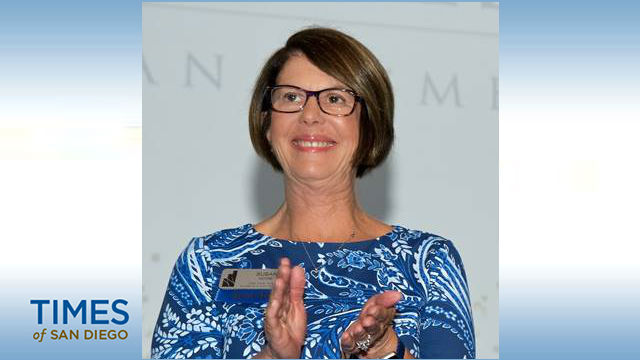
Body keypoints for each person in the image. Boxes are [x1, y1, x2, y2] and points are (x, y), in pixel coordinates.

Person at [151, 27, 475, 359]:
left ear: (369, 126)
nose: (309, 115)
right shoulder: (208, 262)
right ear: (267, 122)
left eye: (335, 99)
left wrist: (385, 351)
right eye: (290, 97)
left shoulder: (428, 262)